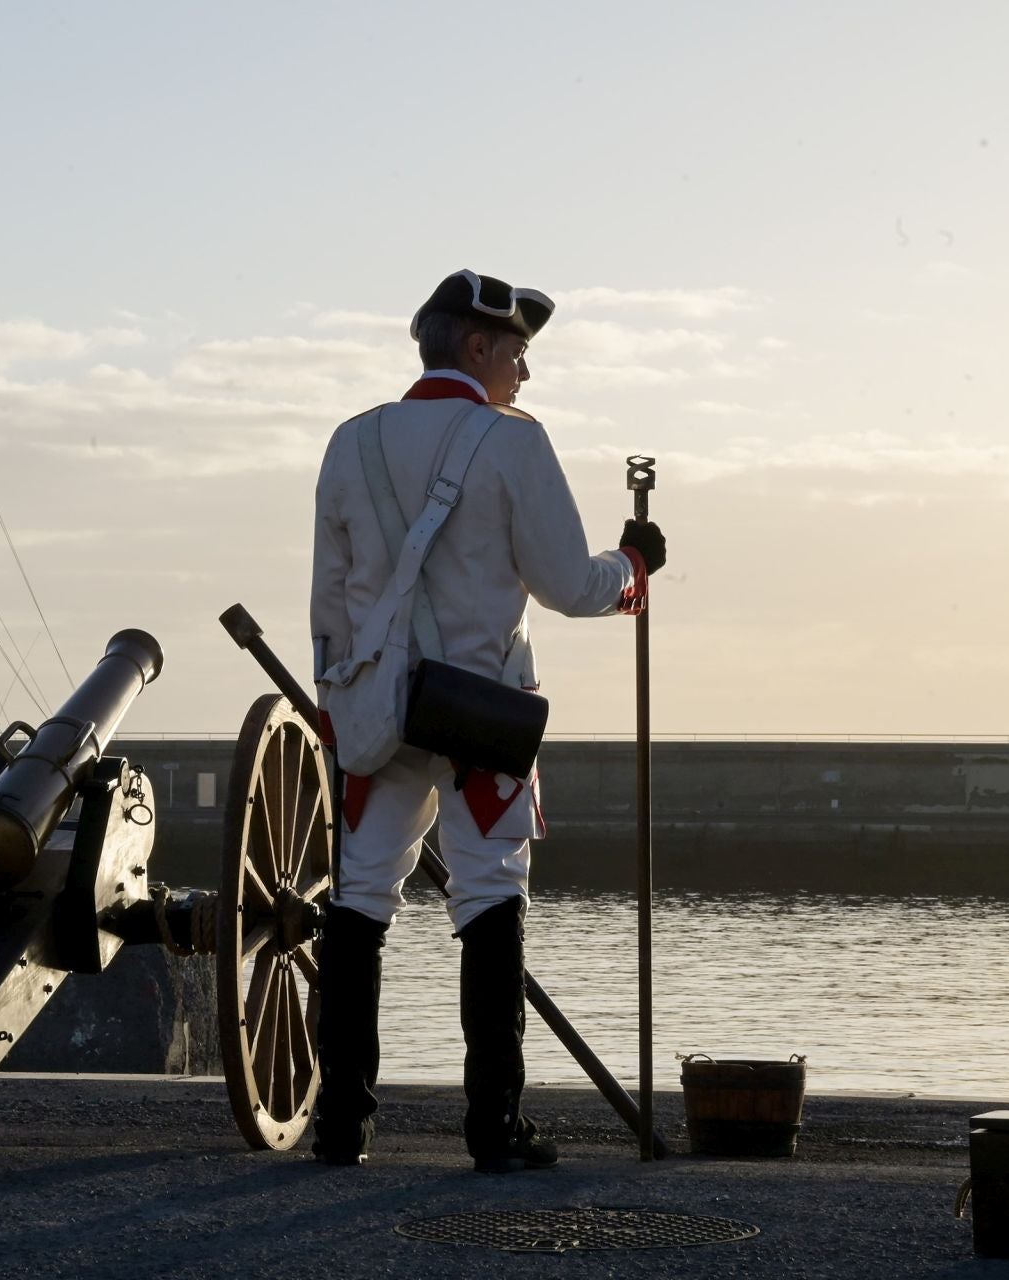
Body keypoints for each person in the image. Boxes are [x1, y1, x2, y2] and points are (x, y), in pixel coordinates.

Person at [309, 269, 667, 1173]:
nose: (524, 374)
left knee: (357, 900)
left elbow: (329, 606)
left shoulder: (350, 444)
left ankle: (342, 1124)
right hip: (481, 716)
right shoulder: (512, 441)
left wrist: (340, 707)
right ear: (476, 347)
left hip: (380, 710)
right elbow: (565, 585)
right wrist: (631, 565)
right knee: (491, 896)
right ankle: (493, 1126)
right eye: (517, 353)